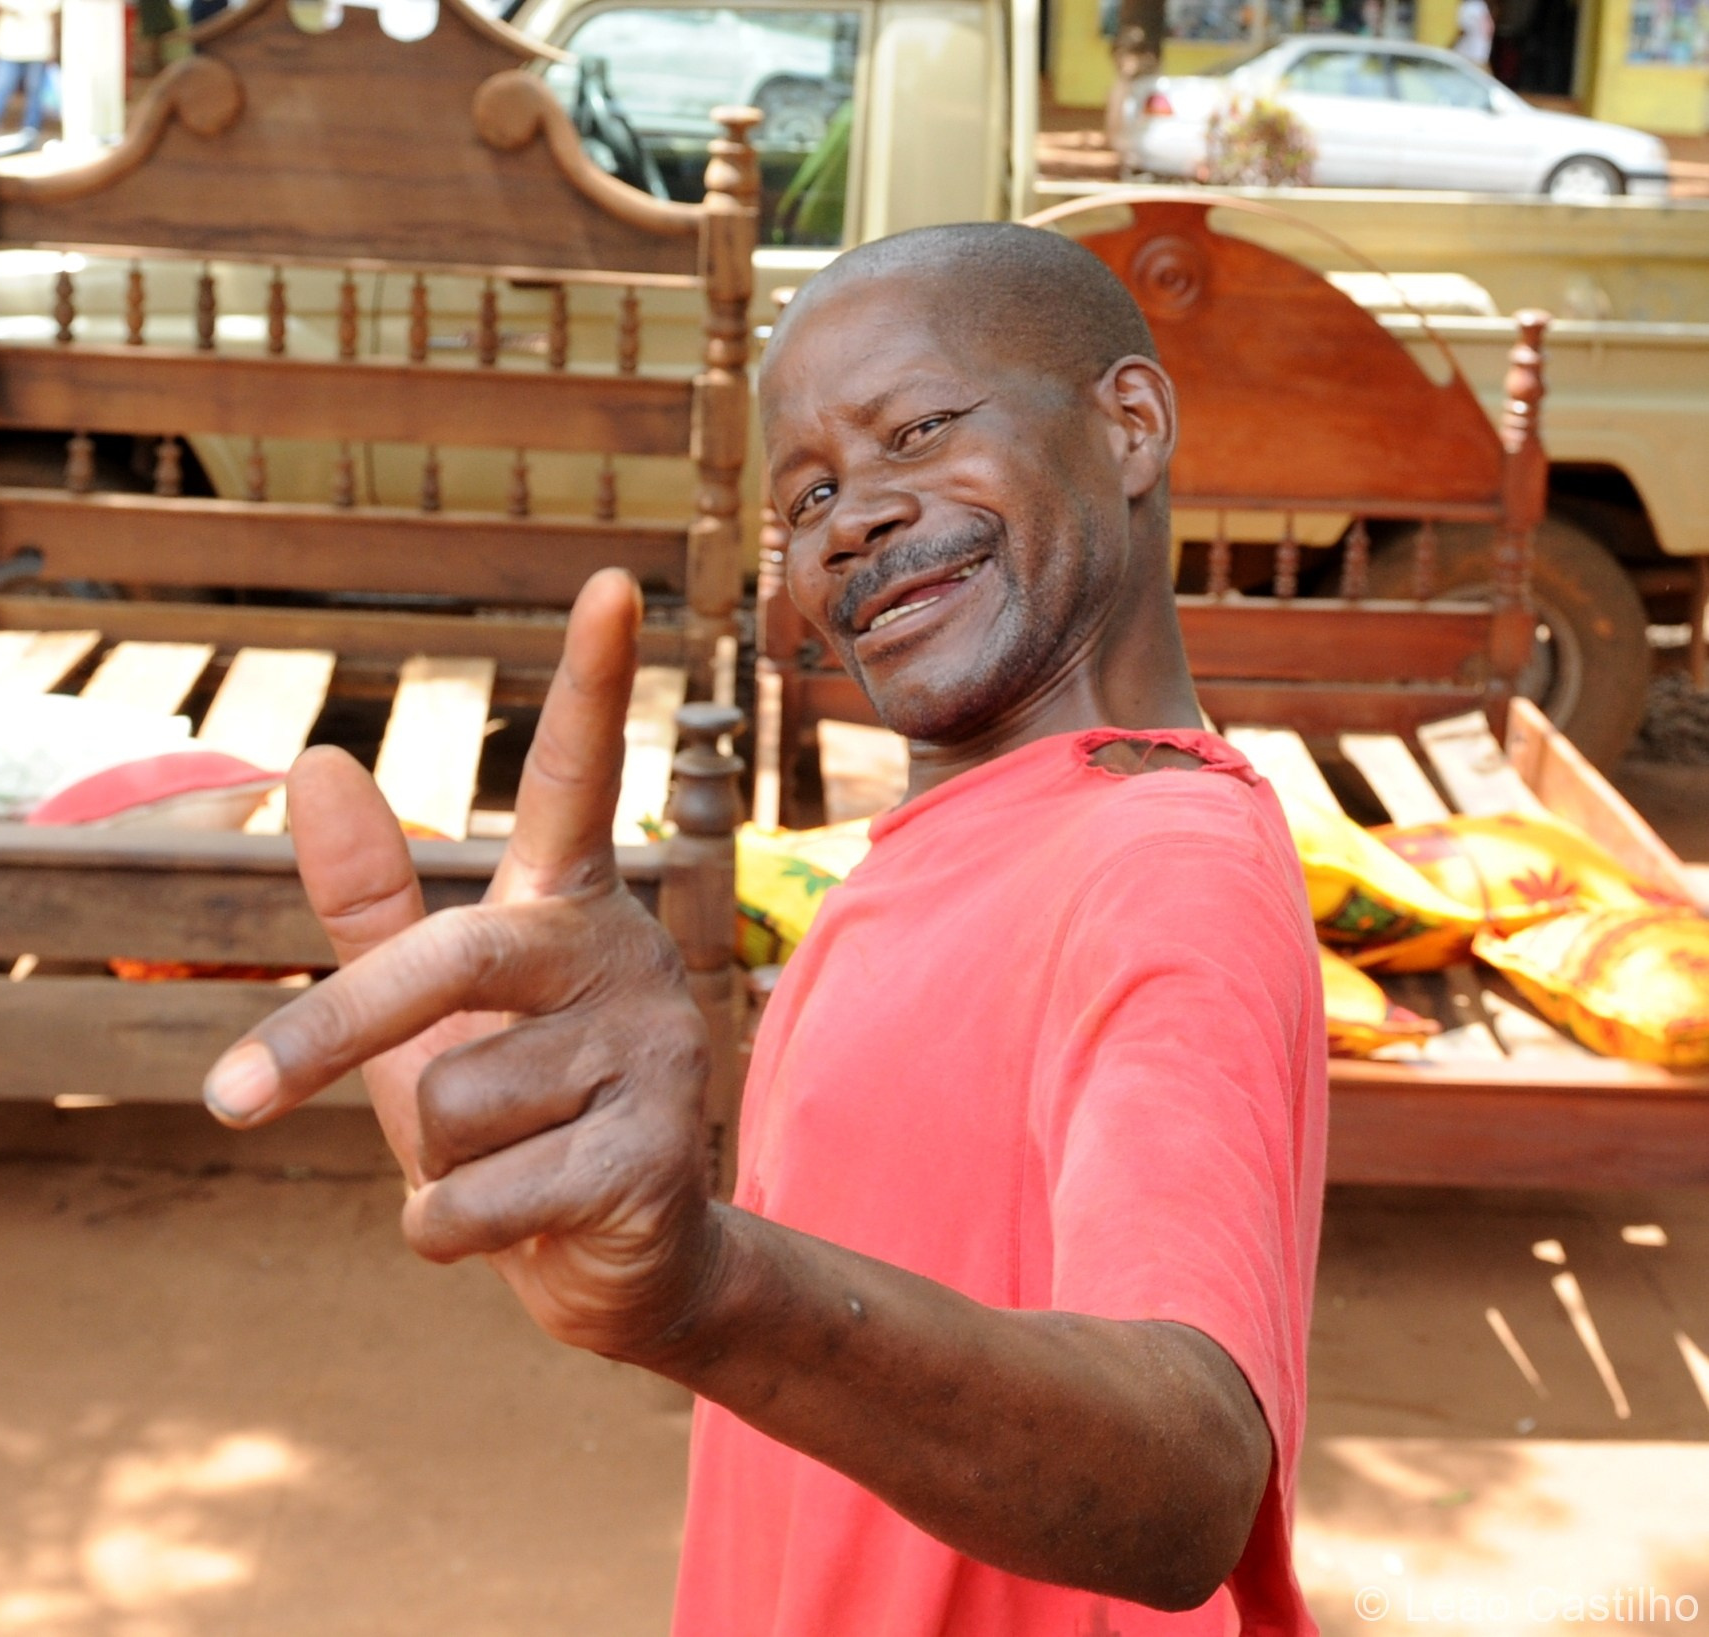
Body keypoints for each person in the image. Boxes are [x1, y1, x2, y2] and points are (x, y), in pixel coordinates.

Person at [203, 222, 1326, 1635]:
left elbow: (1188, 1481)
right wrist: (622, 1196)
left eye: (914, 429)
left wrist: (710, 1290)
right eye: (803, 500)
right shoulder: (947, 846)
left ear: (1126, 422)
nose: (847, 520)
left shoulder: (1160, 864)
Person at [0, 0, 60, 155]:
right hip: (9, 45)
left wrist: (53, 45)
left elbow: (54, 11)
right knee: (0, 88)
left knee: (35, 93)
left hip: (38, 45)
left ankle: (30, 136)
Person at [1452, 0, 1494, 67]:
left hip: (1468, 55)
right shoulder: (1480, 5)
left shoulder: (1470, 6)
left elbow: (1462, 31)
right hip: (1480, 54)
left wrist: (1450, 47)